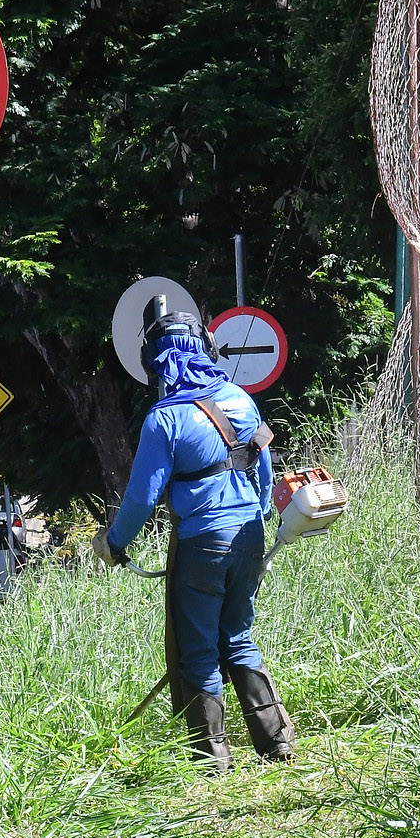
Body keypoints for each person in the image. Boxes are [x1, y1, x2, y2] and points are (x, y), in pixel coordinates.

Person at [92, 301, 295, 771]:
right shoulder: (242, 400)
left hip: (202, 543)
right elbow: (263, 473)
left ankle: (213, 760)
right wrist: (255, 520)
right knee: (239, 635)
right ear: (205, 348)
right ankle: (275, 742)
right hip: (250, 534)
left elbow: (142, 500)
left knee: (200, 646)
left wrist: (115, 544)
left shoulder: (164, 419)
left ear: (154, 360)